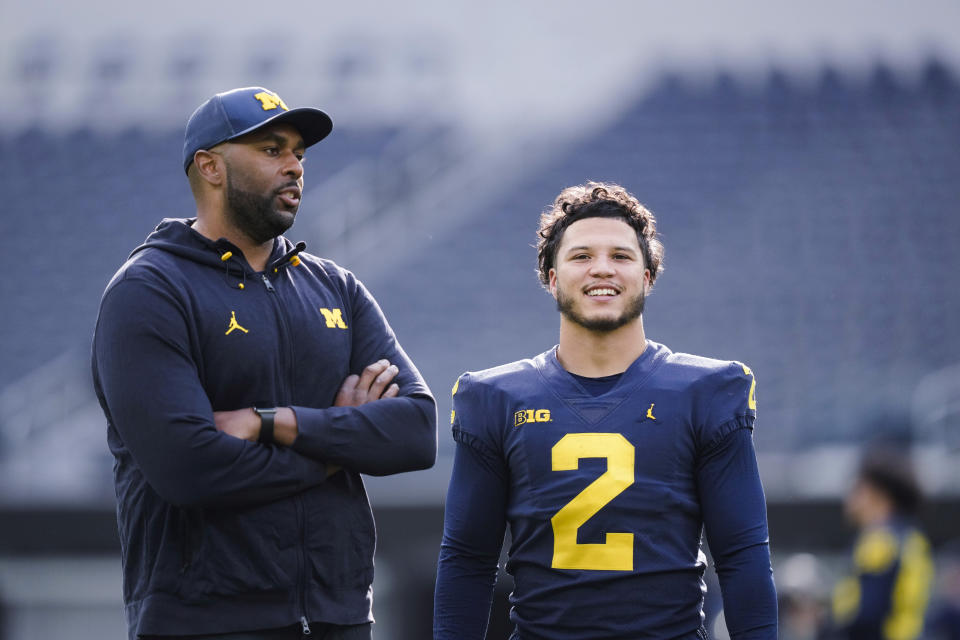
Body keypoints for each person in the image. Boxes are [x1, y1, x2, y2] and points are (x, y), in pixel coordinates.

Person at [92, 86, 437, 640]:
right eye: (272, 150)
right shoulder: (150, 289)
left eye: (299, 152)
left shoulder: (335, 288)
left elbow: (417, 433)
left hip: (338, 615)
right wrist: (336, 449)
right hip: (205, 619)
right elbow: (190, 469)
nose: (295, 166)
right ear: (210, 167)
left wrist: (276, 423)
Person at [434, 182, 777, 639]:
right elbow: (468, 559)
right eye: (580, 256)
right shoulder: (495, 398)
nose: (601, 269)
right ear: (552, 278)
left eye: (620, 255)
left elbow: (742, 555)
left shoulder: (706, 390)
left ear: (648, 275)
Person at [828, 448, 934, 640]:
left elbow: (866, 617)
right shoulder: (913, 537)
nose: (850, 497)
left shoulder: (879, 541)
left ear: (877, 494)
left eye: (857, 488)